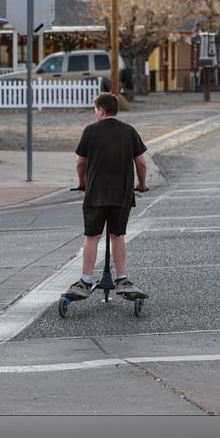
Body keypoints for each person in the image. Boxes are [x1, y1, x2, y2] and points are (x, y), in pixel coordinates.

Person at [67, 92, 148, 298]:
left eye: (95, 111)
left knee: (92, 236)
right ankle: (122, 278)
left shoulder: (90, 131)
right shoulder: (129, 131)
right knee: (117, 235)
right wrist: (142, 184)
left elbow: (79, 162)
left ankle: (85, 280)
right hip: (121, 193)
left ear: (101, 111)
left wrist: (82, 182)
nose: (95, 114)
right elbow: (141, 162)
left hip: (95, 193)